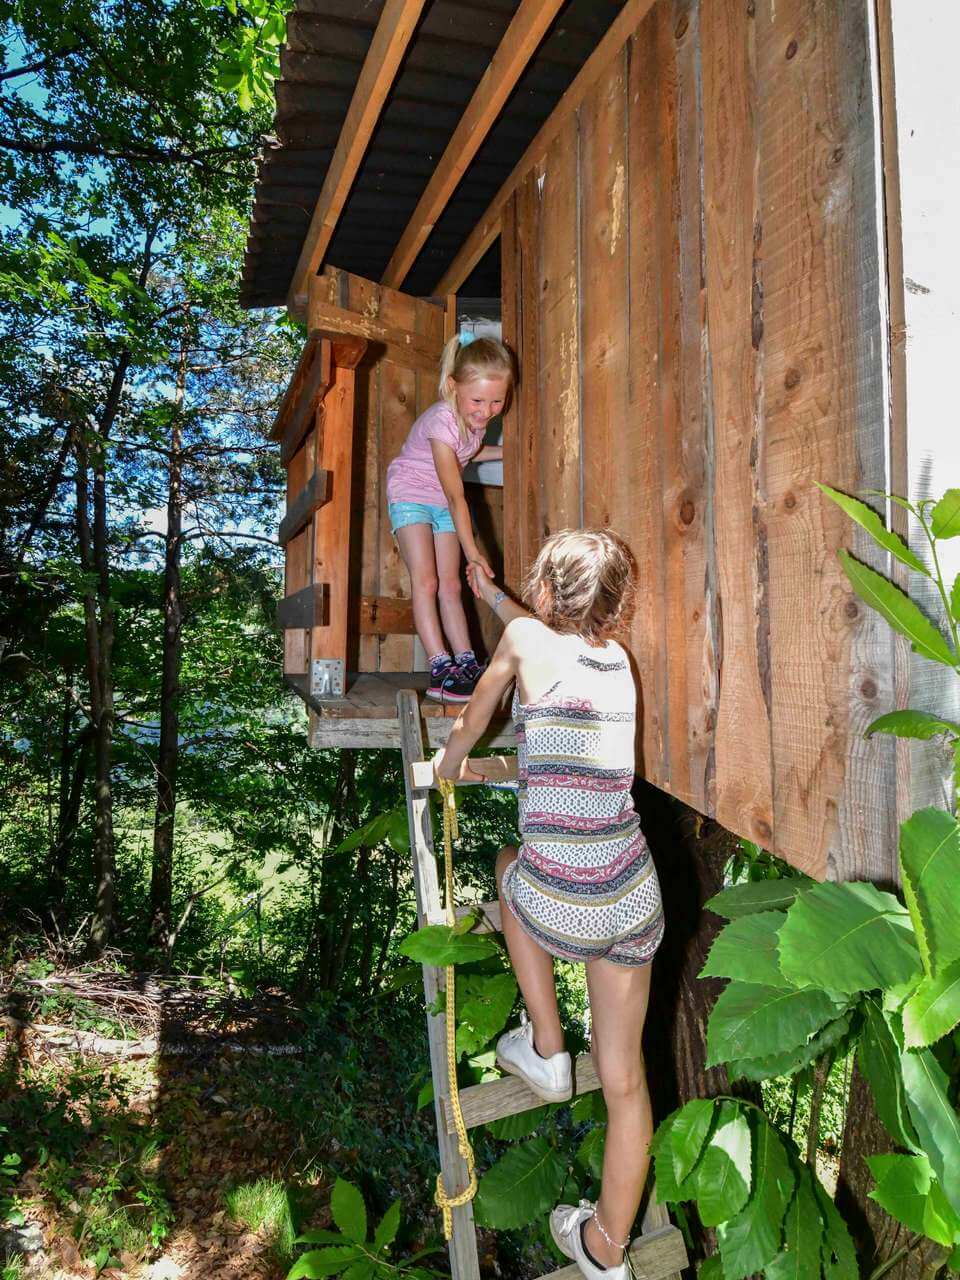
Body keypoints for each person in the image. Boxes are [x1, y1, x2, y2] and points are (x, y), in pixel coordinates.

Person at [435, 530, 664, 1280]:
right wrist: (489, 592)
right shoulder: (617, 660)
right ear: (613, 604)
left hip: (562, 900)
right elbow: (536, 624)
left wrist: (446, 765)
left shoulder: (526, 639)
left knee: (509, 866)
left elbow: (472, 721)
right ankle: (606, 1250)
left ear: (544, 589)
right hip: (632, 894)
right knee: (626, 1082)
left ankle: (545, 1047)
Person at [385, 332, 513, 702]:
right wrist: (474, 552)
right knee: (426, 582)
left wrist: (507, 451)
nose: (486, 411)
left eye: (496, 402)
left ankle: (467, 661)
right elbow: (457, 494)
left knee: (452, 585)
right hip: (411, 494)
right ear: (453, 386)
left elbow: (469, 454)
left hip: (441, 499)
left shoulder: (477, 422)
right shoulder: (442, 420)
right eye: (477, 400)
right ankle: (441, 667)